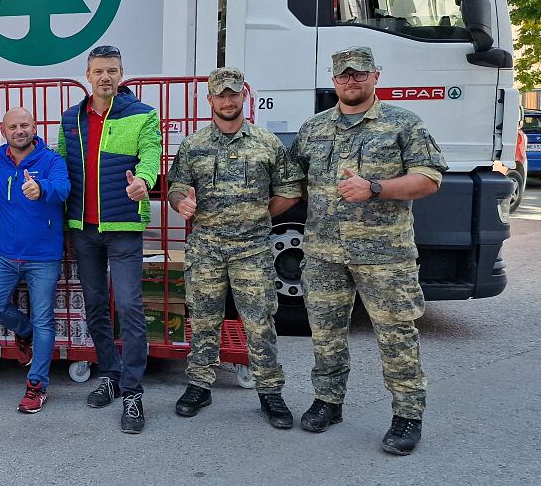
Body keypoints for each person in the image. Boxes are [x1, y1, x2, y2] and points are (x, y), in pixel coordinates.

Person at [290, 46, 447, 455]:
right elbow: (293, 180)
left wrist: (375, 187)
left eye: (359, 73)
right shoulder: (314, 128)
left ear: (375, 75)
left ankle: (407, 416)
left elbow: (429, 179)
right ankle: (328, 402)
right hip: (324, 253)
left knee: (396, 335)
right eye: (343, 75)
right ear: (333, 80)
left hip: (385, 256)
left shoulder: (402, 124)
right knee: (326, 334)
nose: (351, 81)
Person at [165, 67, 302, 428]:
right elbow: (175, 187)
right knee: (204, 319)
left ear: (245, 97)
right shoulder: (193, 145)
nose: (228, 100)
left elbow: (289, 189)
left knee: (259, 322)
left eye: (234, 94)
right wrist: (181, 203)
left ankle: (270, 392)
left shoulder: (266, 143)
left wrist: (259, 215)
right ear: (209, 100)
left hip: (252, 249)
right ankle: (199, 385)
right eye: (220, 95)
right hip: (206, 247)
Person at [57, 44, 160, 434]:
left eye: (112, 70)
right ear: (88, 75)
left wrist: (145, 182)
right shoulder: (72, 118)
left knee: (131, 307)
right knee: (97, 304)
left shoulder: (143, 115)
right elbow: (62, 165)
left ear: (121, 74)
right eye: (99, 71)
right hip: (83, 229)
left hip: (123, 228)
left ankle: (133, 392)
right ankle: (111, 373)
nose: (105, 77)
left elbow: (151, 155)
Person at [0, 108, 70, 413]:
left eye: (25, 125)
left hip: (43, 255)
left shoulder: (52, 159)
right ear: (3, 131)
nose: (20, 130)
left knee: (45, 319)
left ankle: (37, 385)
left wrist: (41, 188)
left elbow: (63, 187)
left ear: (35, 127)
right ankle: (25, 331)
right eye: (13, 126)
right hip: (5, 253)